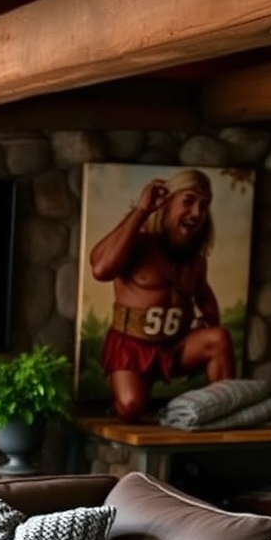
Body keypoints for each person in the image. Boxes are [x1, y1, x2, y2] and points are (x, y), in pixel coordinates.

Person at [89, 168, 235, 421]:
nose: (197, 213)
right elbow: (101, 269)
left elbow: (203, 295)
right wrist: (142, 211)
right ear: (167, 203)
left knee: (219, 338)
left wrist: (208, 321)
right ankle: (121, 402)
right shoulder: (138, 244)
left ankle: (222, 413)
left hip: (176, 346)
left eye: (204, 206)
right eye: (188, 201)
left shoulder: (196, 261)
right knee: (131, 406)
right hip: (133, 346)